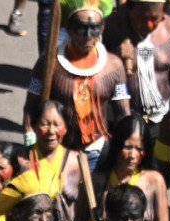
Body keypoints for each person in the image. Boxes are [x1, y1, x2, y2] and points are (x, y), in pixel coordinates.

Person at [26, 0, 128, 169]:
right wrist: (30, 146)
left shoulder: (114, 66)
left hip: (99, 154)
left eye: (94, 28)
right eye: (81, 28)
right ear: (68, 28)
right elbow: (30, 108)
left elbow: (122, 115)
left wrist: (120, 155)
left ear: (102, 28)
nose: (88, 35)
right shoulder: (48, 63)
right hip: (55, 155)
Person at [103, 0, 170, 127]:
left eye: (155, 18)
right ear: (130, 11)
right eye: (143, 18)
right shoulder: (109, 30)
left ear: (163, 12)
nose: (149, 24)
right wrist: (112, 58)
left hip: (160, 120)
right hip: (119, 121)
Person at [93, 117, 170, 221]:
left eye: (139, 149)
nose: (132, 155)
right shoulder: (97, 181)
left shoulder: (155, 181)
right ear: (117, 146)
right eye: (127, 147)